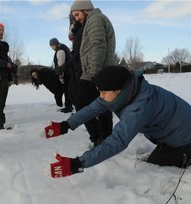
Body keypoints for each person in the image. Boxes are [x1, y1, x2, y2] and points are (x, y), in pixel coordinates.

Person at [43, 66, 191, 178]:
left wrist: (78, 164)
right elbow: (94, 108)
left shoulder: (139, 106)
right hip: (174, 132)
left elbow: (117, 141)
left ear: (119, 90)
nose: (101, 97)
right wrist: (67, 125)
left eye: (103, 93)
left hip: (184, 140)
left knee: (153, 170)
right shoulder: (129, 91)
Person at [69, 0, 116, 147]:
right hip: (98, 70)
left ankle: (98, 137)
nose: (77, 18)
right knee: (102, 105)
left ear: (86, 9)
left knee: (81, 104)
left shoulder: (94, 19)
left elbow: (98, 45)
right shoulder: (93, 20)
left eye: (77, 14)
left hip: (95, 71)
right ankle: (106, 137)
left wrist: (94, 73)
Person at [49, 38, 73, 113]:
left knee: (66, 90)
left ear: (54, 44)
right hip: (70, 72)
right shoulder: (64, 48)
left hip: (66, 73)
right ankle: (69, 106)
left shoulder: (60, 50)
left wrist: (61, 76)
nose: (52, 48)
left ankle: (68, 107)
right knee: (67, 90)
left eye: (52, 46)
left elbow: (61, 65)